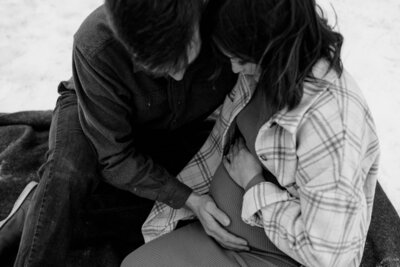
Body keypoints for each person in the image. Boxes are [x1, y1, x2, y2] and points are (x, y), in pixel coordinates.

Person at [122, 0, 380, 266]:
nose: (234, 69)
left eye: (242, 59)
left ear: (275, 45)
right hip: (220, 225)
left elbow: (329, 255)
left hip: (272, 255)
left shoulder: (330, 121)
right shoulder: (268, 69)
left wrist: (253, 183)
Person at [0, 0, 244, 266]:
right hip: (91, 111)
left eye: (183, 58)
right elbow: (115, 158)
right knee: (68, 174)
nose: (177, 76)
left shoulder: (227, 16)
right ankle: (50, 202)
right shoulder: (94, 45)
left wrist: (188, 198)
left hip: (172, 127)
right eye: (159, 68)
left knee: (164, 207)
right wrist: (190, 200)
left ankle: (38, 209)